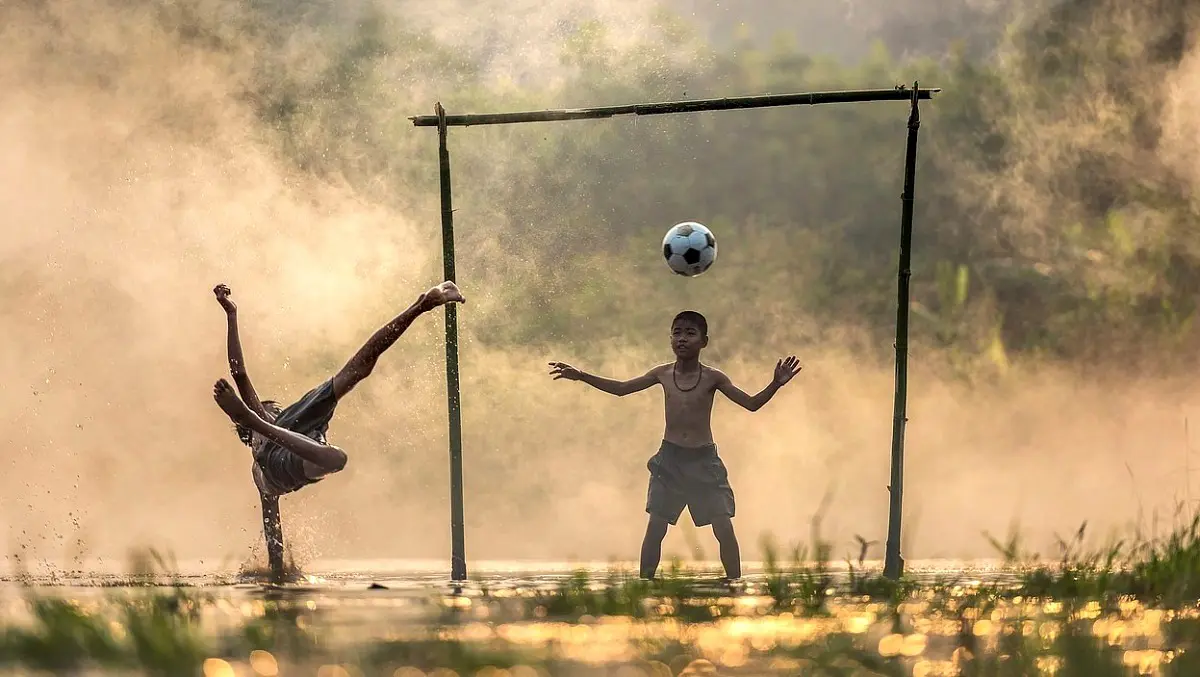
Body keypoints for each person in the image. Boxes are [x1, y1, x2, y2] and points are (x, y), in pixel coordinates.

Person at [210, 281, 465, 574]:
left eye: (273, 410)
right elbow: (238, 372)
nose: (275, 410)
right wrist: (277, 569)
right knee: (335, 449)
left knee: (355, 373)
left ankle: (422, 305)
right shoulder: (263, 460)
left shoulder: (279, 428)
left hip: (299, 437)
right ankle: (421, 305)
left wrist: (231, 314)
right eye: (270, 410)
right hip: (283, 453)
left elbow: (239, 372)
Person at [548, 310, 801, 581]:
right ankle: (644, 586)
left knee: (723, 528)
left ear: (704, 341)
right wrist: (582, 375)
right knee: (656, 527)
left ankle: (734, 585)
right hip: (670, 461)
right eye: (677, 332)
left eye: (690, 333)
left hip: (704, 462)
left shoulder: (714, 378)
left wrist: (775, 384)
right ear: (670, 338)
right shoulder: (663, 374)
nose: (682, 339)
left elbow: (751, 404)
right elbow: (622, 388)